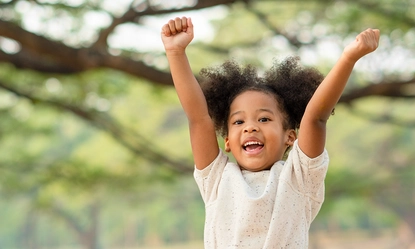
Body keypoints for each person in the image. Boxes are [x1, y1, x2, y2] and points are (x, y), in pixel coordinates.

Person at [161, 16, 379, 249]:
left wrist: (349, 57)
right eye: (238, 121)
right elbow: (198, 119)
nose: (250, 127)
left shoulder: (299, 178)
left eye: (264, 119)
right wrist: (175, 53)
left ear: (290, 137)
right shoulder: (217, 180)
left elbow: (315, 117)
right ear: (226, 141)